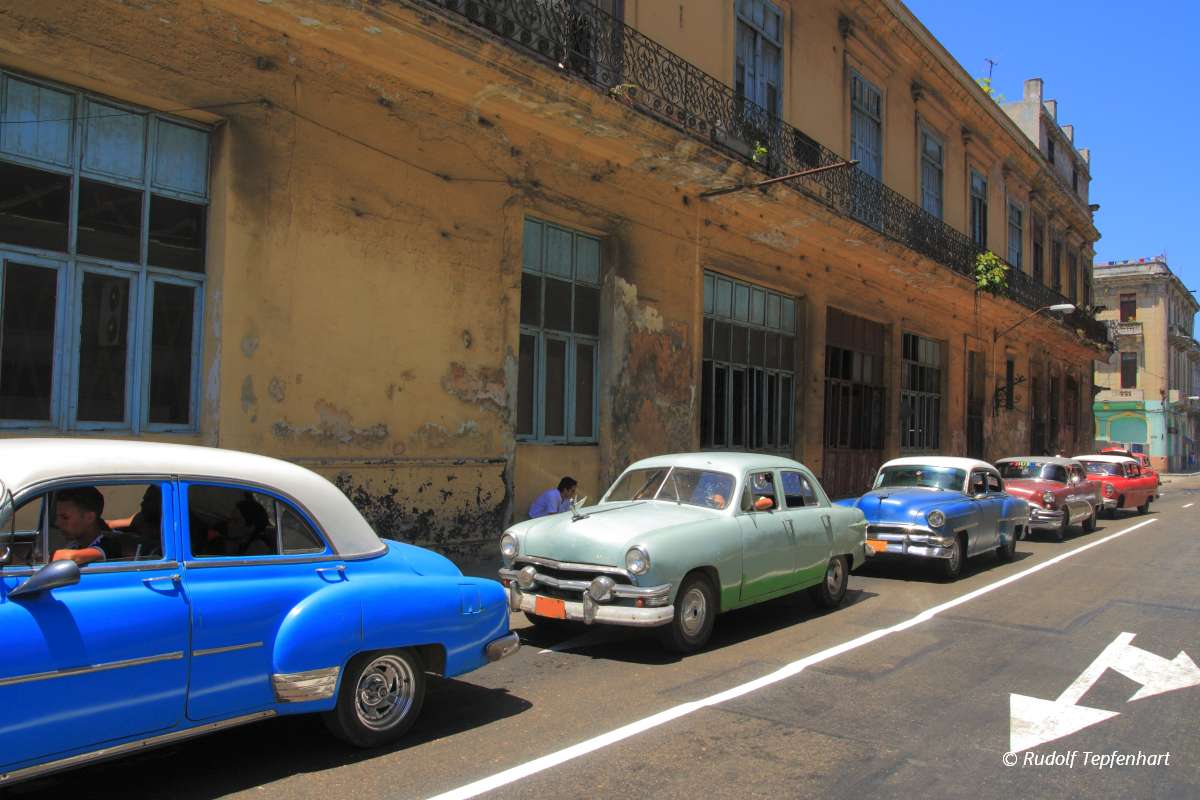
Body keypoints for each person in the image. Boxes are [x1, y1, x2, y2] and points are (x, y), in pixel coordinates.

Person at [52, 486, 122, 565]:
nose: (57, 523)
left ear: (89, 517)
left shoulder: (108, 546)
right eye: (56, 517)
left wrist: (46, 557)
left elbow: (71, 557)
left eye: (65, 517)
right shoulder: (75, 544)